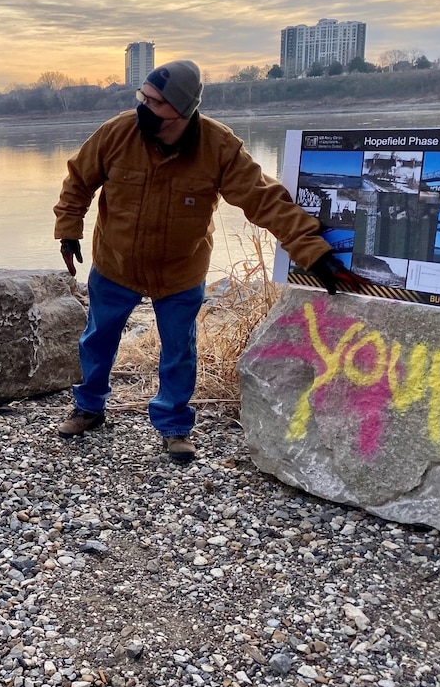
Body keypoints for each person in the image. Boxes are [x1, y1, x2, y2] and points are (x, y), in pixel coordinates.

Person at [53, 60, 363, 463]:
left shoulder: (219, 147)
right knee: (98, 338)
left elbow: (263, 199)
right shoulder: (117, 132)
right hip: (116, 264)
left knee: (179, 350)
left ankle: (175, 426)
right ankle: (89, 407)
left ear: (181, 110)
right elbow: (79, 179)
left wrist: (314, 252)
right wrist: (68, 229)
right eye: (142, 97)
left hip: (181, 271)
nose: (143, 107)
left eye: (155, 102)